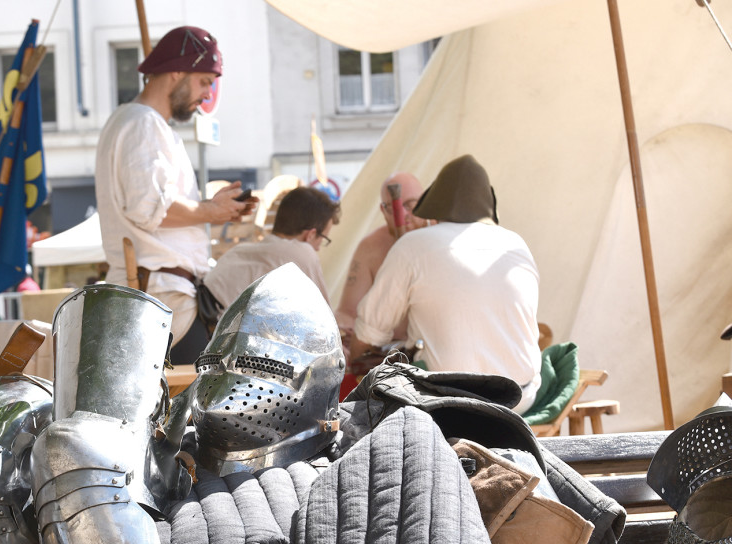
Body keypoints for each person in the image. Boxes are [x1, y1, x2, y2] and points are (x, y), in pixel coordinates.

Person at [94, 25, 256, 344]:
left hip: (158, 297)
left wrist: (212, 207)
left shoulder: (141, 123)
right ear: (177, 71)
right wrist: (210, 211)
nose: (208, 94)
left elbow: (155, 203)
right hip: (160, 299)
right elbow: (150, 208)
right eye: (204, 82)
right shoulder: (142, 123)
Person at [350, 154, 542, 413]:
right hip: (520, 397)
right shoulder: (517, 244)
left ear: (434, 205)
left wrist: (356, 365)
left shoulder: (412, 245)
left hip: (448, 400)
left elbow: (367, 335)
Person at [201, 185, 339, 312]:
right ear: (311, 235)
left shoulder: (238, 251)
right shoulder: (302, 253)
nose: (318, 249)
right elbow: (324, 318)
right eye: (322, 239)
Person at [334, 172, 429, 344]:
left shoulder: (441, 239)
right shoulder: (371, 247)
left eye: (411, 205)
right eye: (394, 208)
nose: (403, 215)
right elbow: (348, 312)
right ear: (383, 211)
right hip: (388, 350)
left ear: (425, 201)